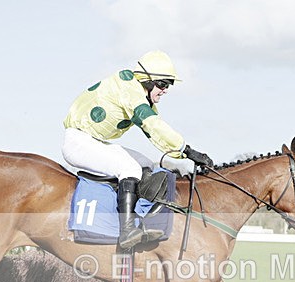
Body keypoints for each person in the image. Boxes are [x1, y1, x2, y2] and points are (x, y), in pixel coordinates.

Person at [62, 50, 213, 250]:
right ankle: (127, 231)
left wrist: (181, 154)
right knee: (130, 169)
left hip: (92, 140)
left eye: (168, 85)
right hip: (78, 142)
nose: (165, 90)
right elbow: (153, 126)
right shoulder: (131, 93)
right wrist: (187, 151)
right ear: (147, 81)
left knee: (145, 164)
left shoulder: (137, 92)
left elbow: (156, 132)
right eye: (162, 84)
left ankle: (141, 218)